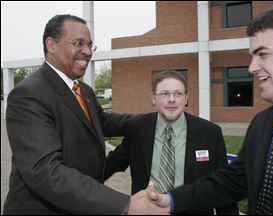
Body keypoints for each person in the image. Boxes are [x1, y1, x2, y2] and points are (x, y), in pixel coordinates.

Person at [3, 14, 166, 215]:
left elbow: (104, 122)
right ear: (51, 45)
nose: (87, 52)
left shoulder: (84, 90)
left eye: (90, 45)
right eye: (78, 44)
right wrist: (125, 205)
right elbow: (46, 172)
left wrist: (152, 120)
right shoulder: (29, 95)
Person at [151, 1, 273, 215]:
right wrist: (171, 201)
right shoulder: (263, 122)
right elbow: (233, 181)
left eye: (263, 54)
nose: (251, 67)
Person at [104, 70, 239, 214]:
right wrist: (82, 189)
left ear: (186, 98)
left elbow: (223, 186)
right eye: (164, 93)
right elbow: (111, 165)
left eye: (178, 93)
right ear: (153, 98)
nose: (172, 99)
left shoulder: (210, 133)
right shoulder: (137, 128)